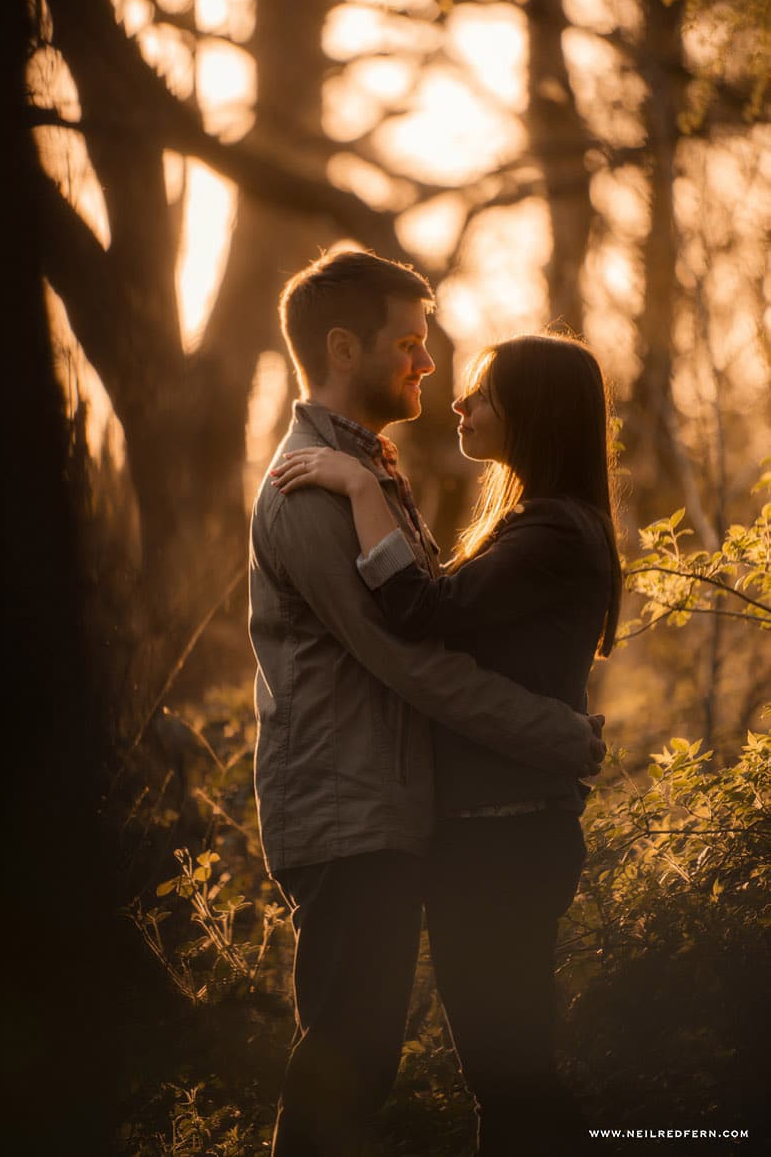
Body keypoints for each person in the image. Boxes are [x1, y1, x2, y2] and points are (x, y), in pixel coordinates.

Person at [249, 247, 607, 1157]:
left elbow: (431, 621)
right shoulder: (309, 489)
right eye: (410, 342)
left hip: (414, 818)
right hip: (350, 812)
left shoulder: (370, 473)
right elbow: (405, 653)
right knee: (352, 1064)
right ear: (341, 348)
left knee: (462, 1069)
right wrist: (555, 733)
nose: (428, 364)